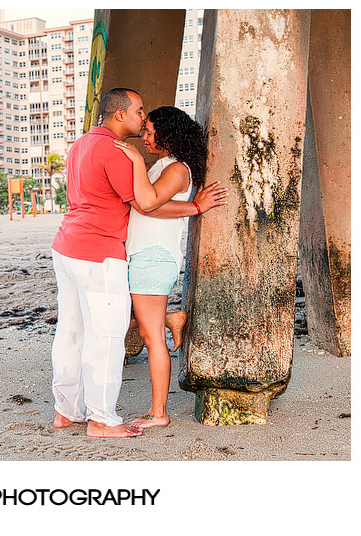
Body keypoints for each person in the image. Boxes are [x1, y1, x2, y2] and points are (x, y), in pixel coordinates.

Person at [50, 89, 227, 438]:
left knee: (72, 332)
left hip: (67, 246)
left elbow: (145, 200)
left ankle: (66, 410)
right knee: (106, 337)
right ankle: (100, 419)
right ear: (120, 115)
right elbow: (144, 203)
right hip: (99, 252)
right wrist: (194, 208)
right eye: (139, 113)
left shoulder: (81, 144)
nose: (142, 122)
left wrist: (192, 206)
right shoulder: (117, 152)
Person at [113, 105, 213, 429]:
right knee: (130, 320)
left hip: (154, 257)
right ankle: (172, 318)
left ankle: (159, 413)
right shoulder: (161, 166)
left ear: (168, 135)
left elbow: (149, 203)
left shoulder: (178, 170)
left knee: (151, 336)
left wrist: (136, 162)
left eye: (149, 131)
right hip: (143, 255)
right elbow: (148, 204)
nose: (144, 136)